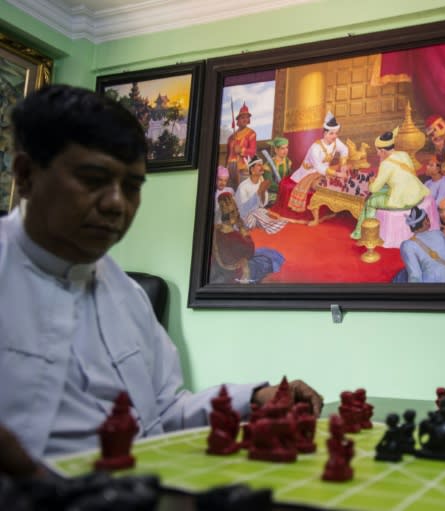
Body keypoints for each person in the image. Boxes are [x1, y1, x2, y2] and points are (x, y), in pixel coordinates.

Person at [0, 84, 322, 471]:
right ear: (26, 175)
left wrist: (256, 398)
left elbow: (165, 414)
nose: (117, 203)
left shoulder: (129, 297)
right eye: (92, 180)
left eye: (132, 187)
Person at [269, 112, 349, 223]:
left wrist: (344, 165)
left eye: (336, 133)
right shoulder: (315, 147)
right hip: (309, 173)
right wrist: (338, 174)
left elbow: (344, 149)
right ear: (325, 133)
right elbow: (320, 168)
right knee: (321, 186)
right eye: (331, 134)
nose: (334, 136)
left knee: (341, 180)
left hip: (325, 171)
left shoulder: (335, 142)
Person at [351, 128, 430, 239]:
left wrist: (371, 182)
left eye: (378, 150)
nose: (377, 154)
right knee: (382, 191)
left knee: (370, 201)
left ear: (383, 151)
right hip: (417, 194)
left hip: (402, 201)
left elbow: (373, 189)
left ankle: (364, 234)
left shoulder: (386, 164)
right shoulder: (404, 154)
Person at [211, 192, 285, 283]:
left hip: (220, 268)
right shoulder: (235, 236)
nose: (238, 213)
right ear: (232, 215)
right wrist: (242, 229)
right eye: (236, 211)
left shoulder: (215, 230)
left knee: (263, 251)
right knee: (272, 256)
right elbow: (250, 252)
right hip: (236, 272)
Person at [393, 206, 445, 283]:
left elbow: (415, 276)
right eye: (428, 218)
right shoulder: (439, 233)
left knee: (400, 276)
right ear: (425, 222)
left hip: (433, 281)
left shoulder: (407, 245)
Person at [225, 102, 258, 188]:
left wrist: (242, 150)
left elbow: (253, 152)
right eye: (242, 117)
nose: (245, 120)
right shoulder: (231, 137)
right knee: (230, 190)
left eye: (247, 117)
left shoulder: (251, 133)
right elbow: (228, 154)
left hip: (242, 167)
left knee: (241, 190)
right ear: (238, 120)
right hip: (230, 167)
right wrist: (226, 167)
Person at [234, 156, 269, 221]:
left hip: (257, 214)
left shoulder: (261, 183)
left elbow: (263, 204)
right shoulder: (243, 187)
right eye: (259, 165)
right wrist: (259, 192)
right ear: (252, 170)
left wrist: (263, 192)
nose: (262, 167)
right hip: (244, 217)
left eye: (262, 165)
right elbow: (243, 208)